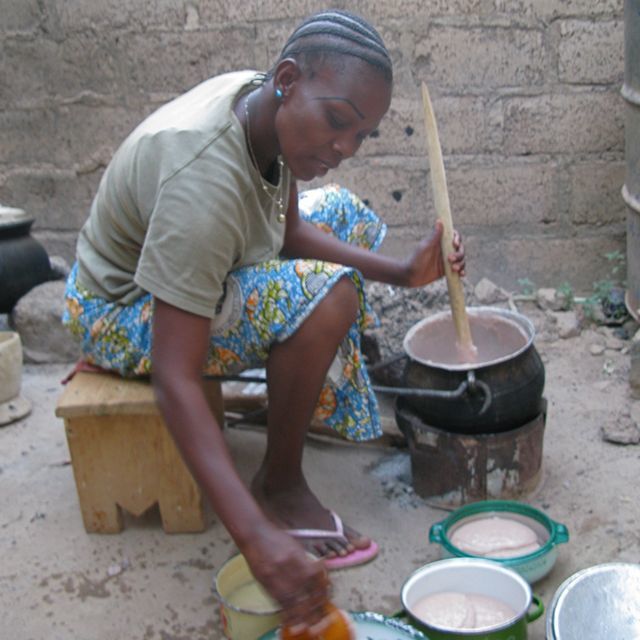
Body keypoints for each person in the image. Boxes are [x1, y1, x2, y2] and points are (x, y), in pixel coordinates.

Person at [62, 9, 465, 627]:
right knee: (329, 296)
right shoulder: (203, 180)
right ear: (287, 80)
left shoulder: (262, 107)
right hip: (116, 308)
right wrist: (254, 540)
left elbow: (288, 227)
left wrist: (404, 271)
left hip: (190, 256)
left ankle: (311, 375)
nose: (344, 148)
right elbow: (177, 376)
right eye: (337, 123)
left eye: (361, 136)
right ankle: (277, 484)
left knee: (347, 214)